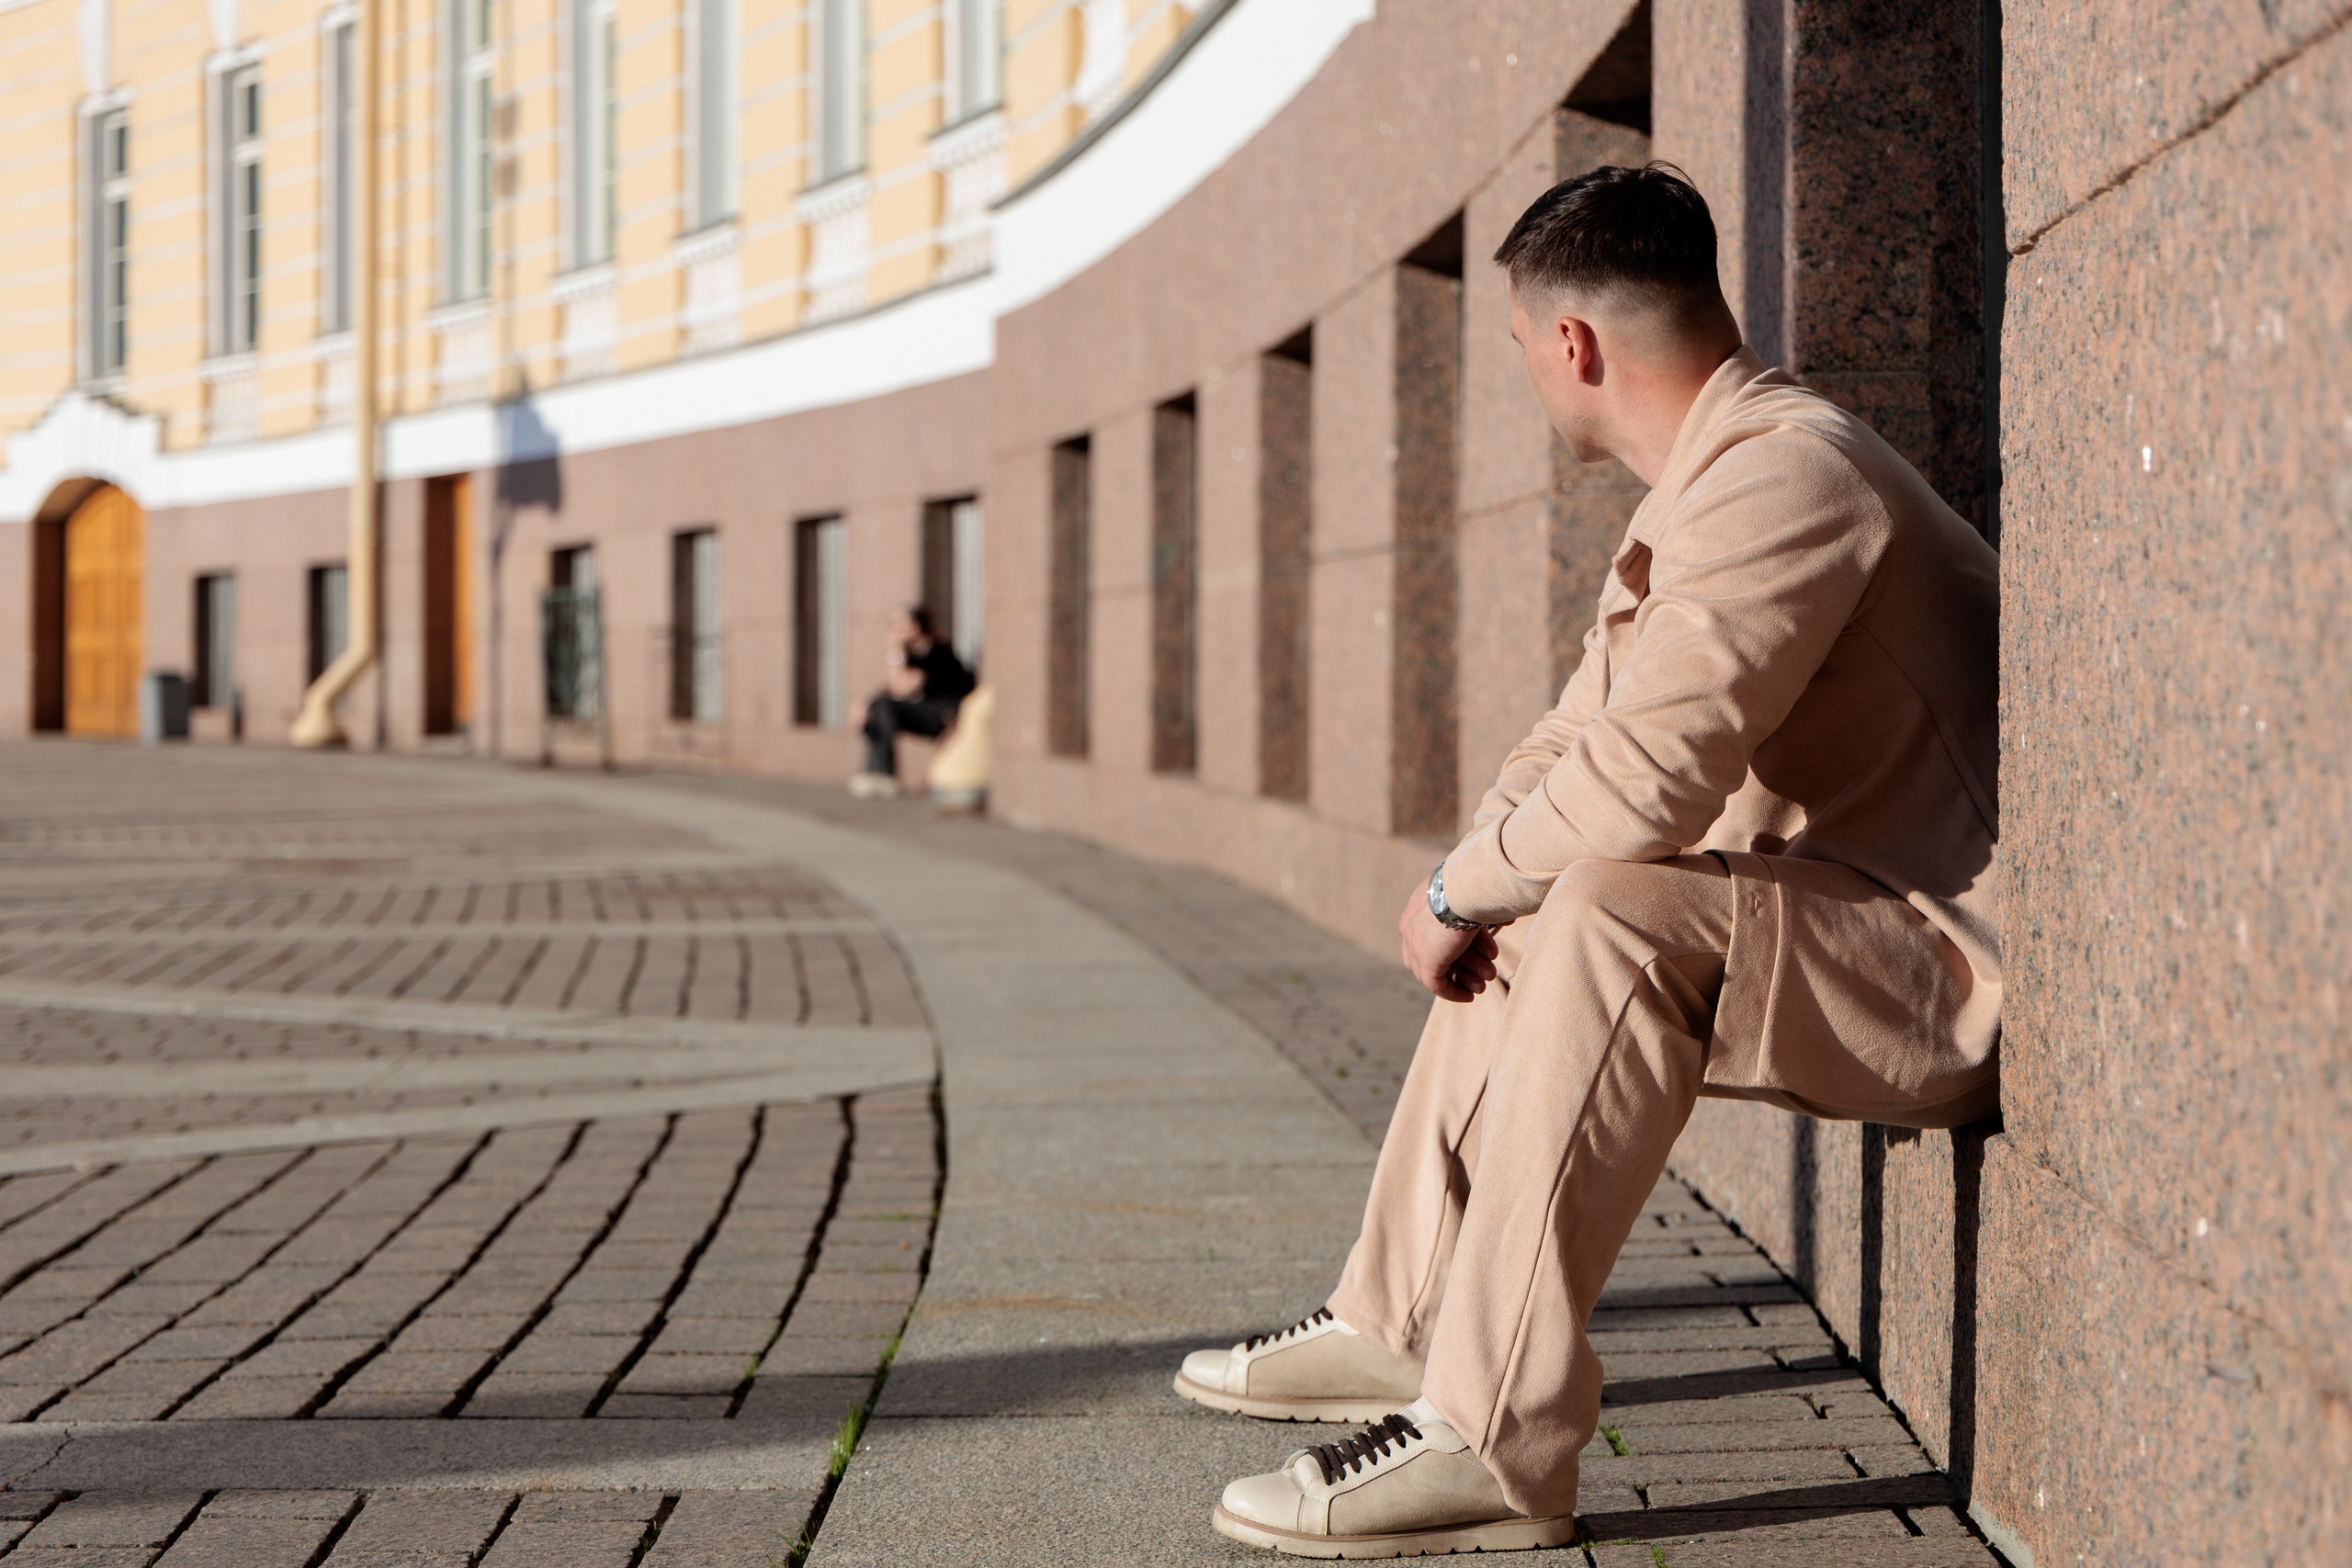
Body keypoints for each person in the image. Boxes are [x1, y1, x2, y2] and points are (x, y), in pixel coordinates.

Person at [1182, 164, 2001, 1557]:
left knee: (1607, 901)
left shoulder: (1787, 474)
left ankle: (1496, 1443)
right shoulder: (1715, 479)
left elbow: (1646, 785)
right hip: (1843, 921)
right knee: (1540, 885)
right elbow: (1580, 735)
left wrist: (1459, 887)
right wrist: (1468, 879)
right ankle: (1402, 1322)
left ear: (1570, 346)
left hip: (1942, 964)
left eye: (1516, 350)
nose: (1530, 379)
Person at [849, 606, 975, 798]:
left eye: (899, 624)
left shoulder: (936, 650)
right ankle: (874, 772)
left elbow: (904, 687)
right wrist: (864, 704)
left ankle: (883, 773)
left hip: (949, 713)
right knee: (879, 706)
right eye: (892, 625)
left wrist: (893, 650)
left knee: (885, 705)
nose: (894, 629)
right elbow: (889, 686)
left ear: (915, 627)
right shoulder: (913, 653)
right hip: (931, 711)